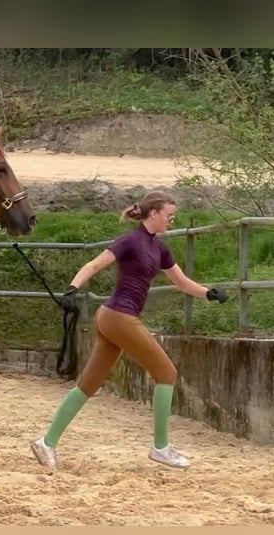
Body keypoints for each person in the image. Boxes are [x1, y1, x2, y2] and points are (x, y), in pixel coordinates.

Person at [30, 190, 228, 472]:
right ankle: (161, 448)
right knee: (167, 373)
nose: (172, 220)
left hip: (114, 318)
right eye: (169, 215)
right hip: (118, 317)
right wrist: (73, 288)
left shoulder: (160, 248)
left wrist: (208, 293)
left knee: (89, 384)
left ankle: (46, 443)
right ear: (155, 213)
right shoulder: (130, 241)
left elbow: (181, 281)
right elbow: (95, 264)